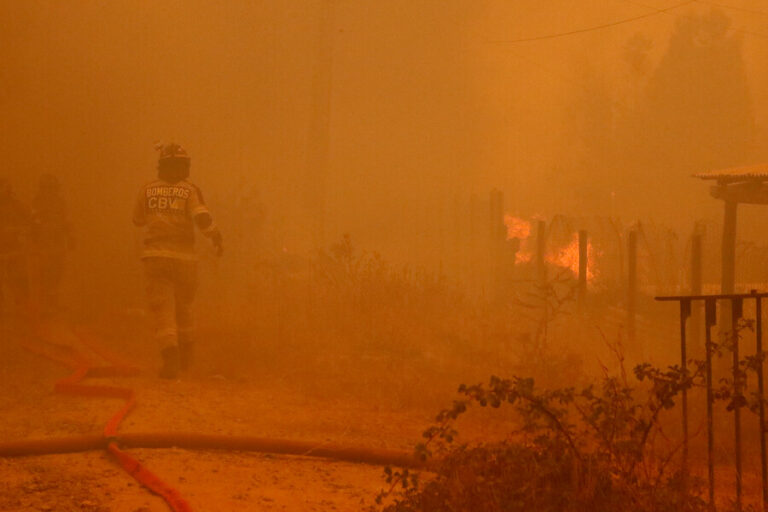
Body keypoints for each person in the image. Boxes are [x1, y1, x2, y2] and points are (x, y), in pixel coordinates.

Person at [133, 144, 223, 378]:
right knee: (184, 307)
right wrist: (216, 236)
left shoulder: (147, 190)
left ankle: (170, 359)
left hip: (155, 258)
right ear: (185, 166)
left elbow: (137, 220)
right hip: (185, 260)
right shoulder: (190, 190)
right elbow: (202, 217)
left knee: (163, 309)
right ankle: (187, 358)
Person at [31, 174, 73, 317]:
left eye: (52, 188)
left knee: (57, 272)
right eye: (48, 188)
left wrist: (70, 237)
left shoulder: (60, 203)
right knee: (44, 272)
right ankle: (43, 304)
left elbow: (66, 221)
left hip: (57, 242)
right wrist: (35, 237)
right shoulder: (38, 202)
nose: (50, 191)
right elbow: (33, 221)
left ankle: (52, 302)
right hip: (44, 243)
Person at [0, 178, 32, 321]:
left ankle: (22, 306)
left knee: (18, 276)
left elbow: (28, 218)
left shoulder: (14, 204)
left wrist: (23, 230)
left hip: (13, 247)